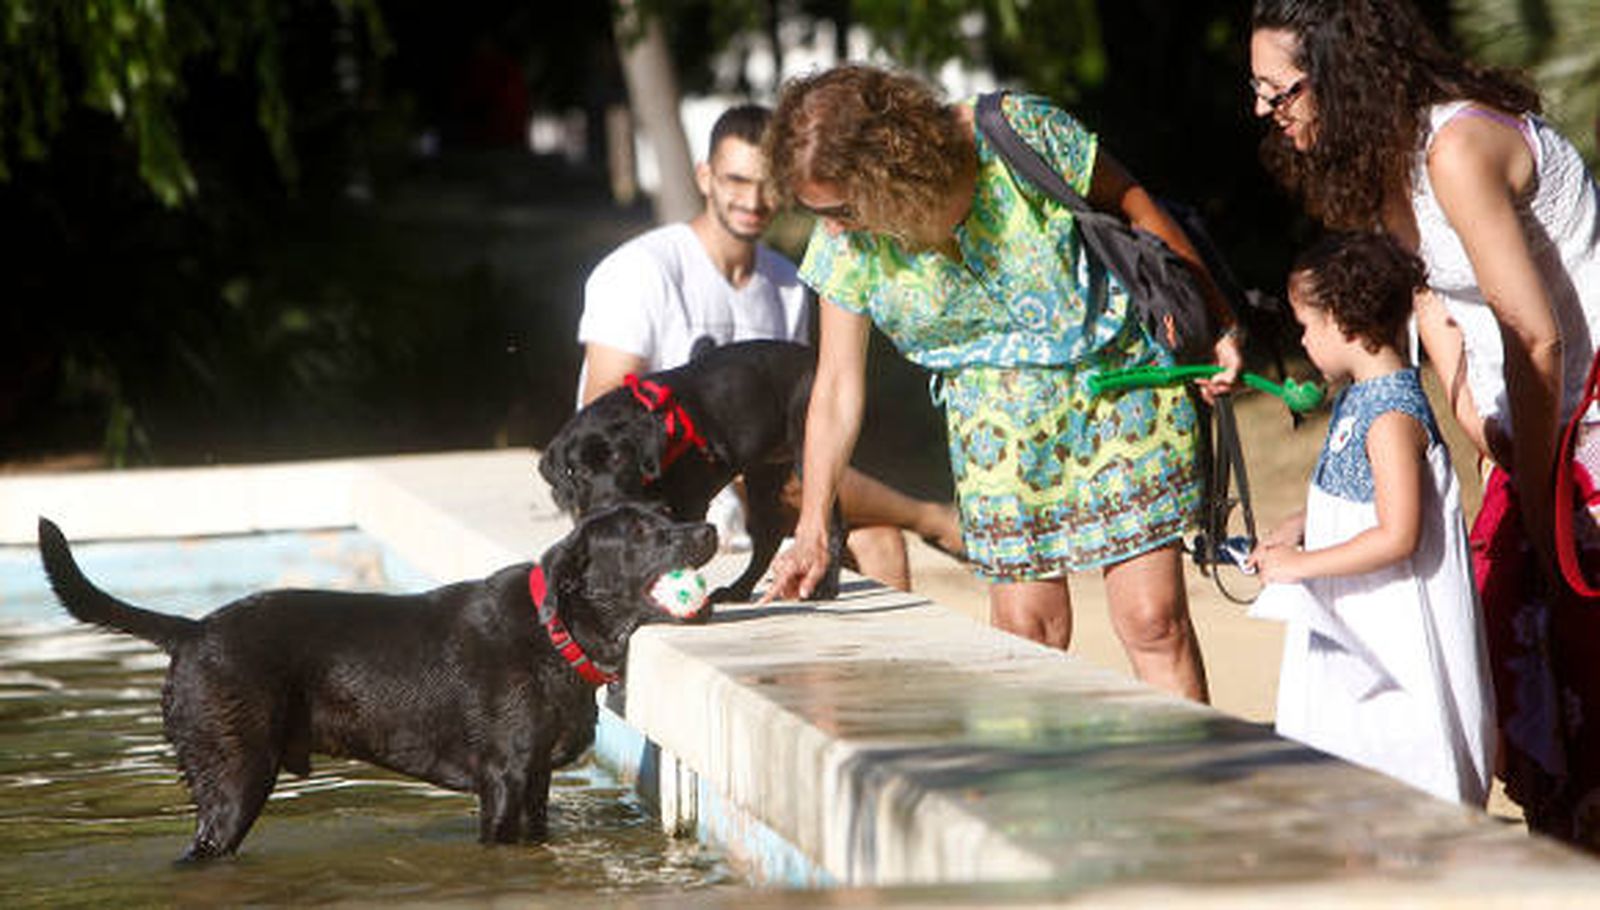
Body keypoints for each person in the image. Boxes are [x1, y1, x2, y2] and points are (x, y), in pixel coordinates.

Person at [759, 64, 1245, 702]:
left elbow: (1132, 202)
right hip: (995, 431)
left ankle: (1191, 793)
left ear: (889, 167)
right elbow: (836, 388)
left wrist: (1218, 321)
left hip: (1118, 386)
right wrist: (813, 528)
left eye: (841, 208)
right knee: (1026, 637)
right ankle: (1039, 799)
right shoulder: (845, 246)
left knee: (1153, 621)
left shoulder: (1014, 133)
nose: (832, 227)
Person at [1250, 0, 1600, 843]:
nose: (1266, 112)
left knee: (1576, 659)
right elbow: (1438, 312)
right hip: (1530, 428)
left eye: (1279, 91)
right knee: (1531, 669)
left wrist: (1540, 473)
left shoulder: (1455, 147)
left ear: (1340, 73)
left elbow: (1537, 332)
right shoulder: (1391, 163)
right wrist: (1485, 430)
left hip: (1579, 423)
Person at [577, 103, 962, 592]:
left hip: (749, 478)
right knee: (830, 501)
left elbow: (799, 424)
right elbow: (603, 413)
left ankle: (863, 665)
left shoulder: (784, 280)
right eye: (736, 180)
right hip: (664, 488)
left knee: (881, 540)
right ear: (704, 177)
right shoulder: (642, 270)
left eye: (767, 184)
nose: (753, 199)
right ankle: (933, 518)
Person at [1248, 233, 1494, 805]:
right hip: (1357, 624)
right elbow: (1364, 497)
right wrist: (1301, 523)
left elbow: (1398, 533)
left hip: (1394, 637)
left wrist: (1300, 565)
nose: (1303, 339)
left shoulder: (1389, 415)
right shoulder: (1363, 398)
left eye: (1306, 325)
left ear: (1341, 320)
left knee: (1398, 761)